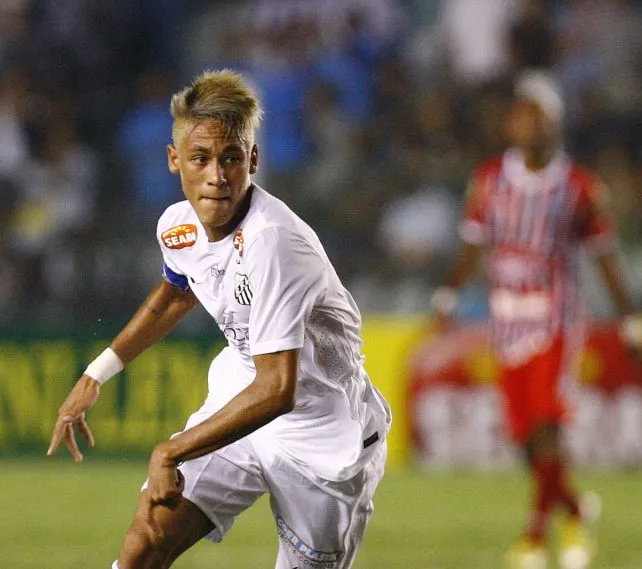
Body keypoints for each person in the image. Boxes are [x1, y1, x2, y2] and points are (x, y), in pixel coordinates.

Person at [46, 69, 391, 569]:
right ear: (174, 160)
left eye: (232, 158)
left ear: (252, 158)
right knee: (145, 541)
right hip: (243, 397)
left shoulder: (274, 241)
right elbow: (173, 295)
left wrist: (170, 450)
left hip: (324, 435)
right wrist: (97, 373)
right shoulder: (178, 225)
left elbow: (279, 389)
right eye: (201, 158)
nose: (217, 175)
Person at [432, 71, 642, 569]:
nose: (528, 125)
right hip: (505, 318)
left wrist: (631, 320)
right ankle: (574, 510)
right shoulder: (488, 180)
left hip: (555, 316)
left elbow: (605, 257)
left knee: (549, 422)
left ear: (555, 124)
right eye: (521, 115)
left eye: (538, 116)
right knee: (525, 436)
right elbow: (473, 245)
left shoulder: (579, 187)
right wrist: (447, 292)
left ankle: (533, 538)